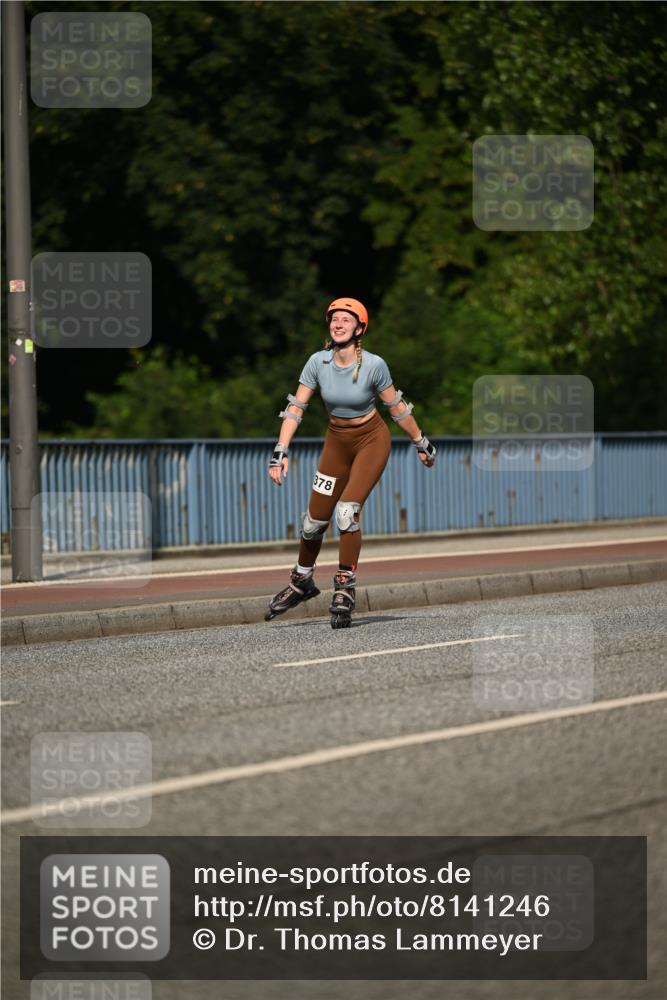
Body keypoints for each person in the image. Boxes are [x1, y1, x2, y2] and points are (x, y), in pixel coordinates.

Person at [266, 297, 436, 629]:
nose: (339, 324)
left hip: (371, 441)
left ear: (359, 329)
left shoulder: (374, 365)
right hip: (337, 443)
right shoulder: (318, 362)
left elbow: (396, 408)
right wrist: (280, 450)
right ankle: (301, 580)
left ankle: (345, 587)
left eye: (346, 320)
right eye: (335, 319)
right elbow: (296, 407)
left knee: (346, 512)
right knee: (312, 522)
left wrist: (420, 442)